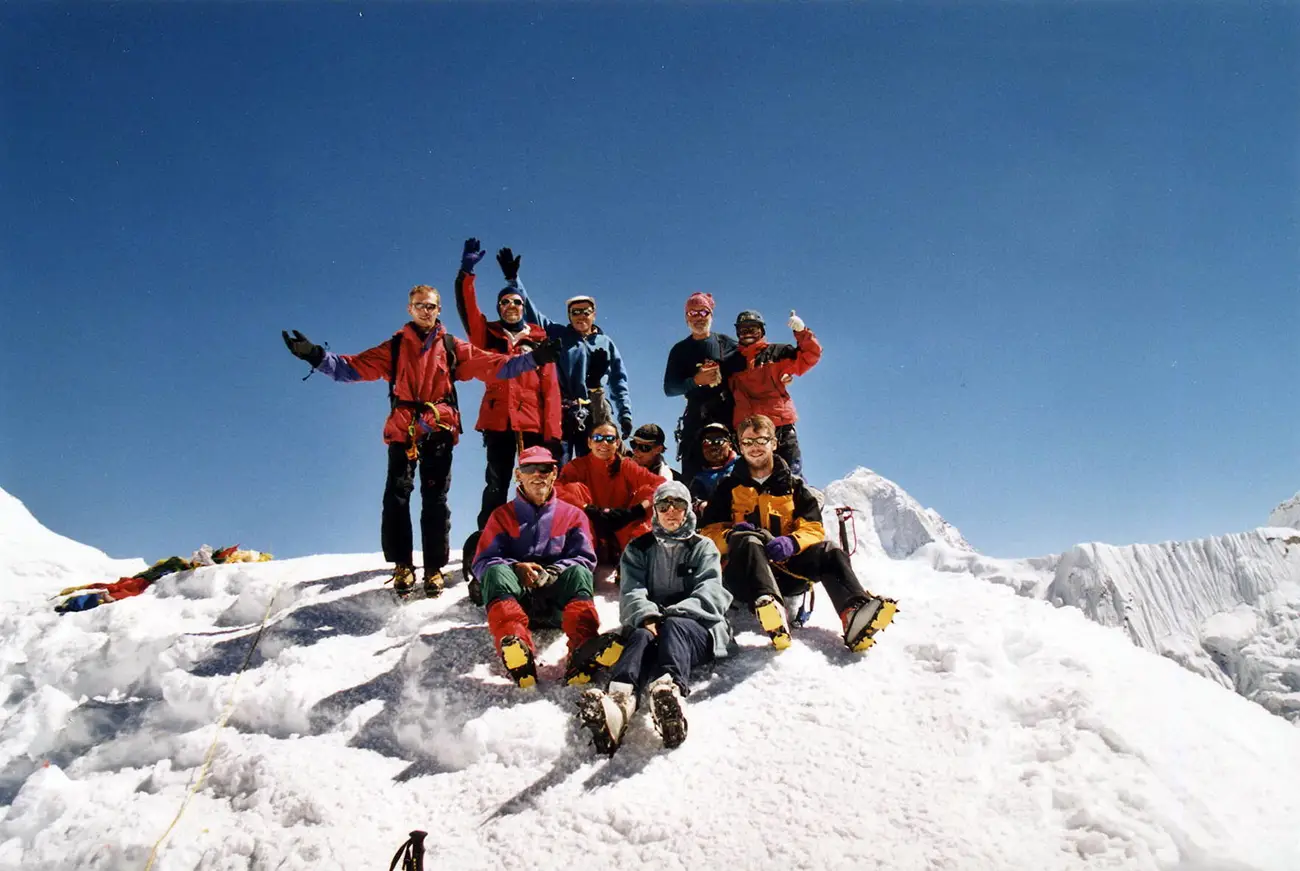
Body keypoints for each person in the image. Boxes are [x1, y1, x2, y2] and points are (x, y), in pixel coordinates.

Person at [282, 284, 557, 599]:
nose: (426, 311)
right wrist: (314, 355)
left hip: (438, 428)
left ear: (439, 310)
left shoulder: (452, 347)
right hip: (403, 428)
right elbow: (353, 367)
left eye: (431, 306)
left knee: (435, 498)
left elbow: (493, 364)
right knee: (396, 497)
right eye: (419, 305)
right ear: (409, 309)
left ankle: (434, 568)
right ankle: (402, 564)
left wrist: (534, 359)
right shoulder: (396, 348)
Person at [699, 414, 896, 653]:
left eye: (761, 440)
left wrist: (792, 542)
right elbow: (707, 532)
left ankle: (854, 612)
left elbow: (814, 528)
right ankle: (771, 608)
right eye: (747, 442)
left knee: (829, 550)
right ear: (740, 447)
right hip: (744, 579)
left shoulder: (795, 486)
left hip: (788, 572)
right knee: (748, 539)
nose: (754, 448)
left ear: (774, 443)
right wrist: (730, 535)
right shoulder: (727, 488)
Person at [577, 480, 733, 754]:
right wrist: (647, 616)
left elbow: (710, 591)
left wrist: (667, 615)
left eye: (678, 505)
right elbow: (632, 591)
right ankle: (620, 698)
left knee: (674, 626)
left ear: (688, 510)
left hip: (698, 628)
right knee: (638, 634)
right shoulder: (639, 548)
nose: (671, 511)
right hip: (653, 625)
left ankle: (668, 691)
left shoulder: (703, 546)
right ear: (656, 511)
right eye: (664, 505)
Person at [472, 446, 619, 688]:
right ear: (518, 475)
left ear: (554, 473)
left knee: (580, 574)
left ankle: (583, 647)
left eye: (545, 468)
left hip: (559, 607)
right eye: (530, 468)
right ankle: (516, 647)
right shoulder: (501, 516)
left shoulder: (572, 515)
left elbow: (584, 557)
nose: (538, 474)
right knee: (496, 572)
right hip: (519, 601)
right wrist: (516, 567)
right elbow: (483, 561)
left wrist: (555, 572)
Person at [453, 238, 563, 530]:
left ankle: (539, 537)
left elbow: (551, 389)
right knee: (497, 480)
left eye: (516, 302)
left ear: (522, 306)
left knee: (537, 482)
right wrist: (466, 272)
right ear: (499, 307)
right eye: (505, 302)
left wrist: (553, 433)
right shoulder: (487, 335)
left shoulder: (539, 341)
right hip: (498, 419)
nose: (511, 306)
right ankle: (489, 541)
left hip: (532, 422)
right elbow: (467, 307)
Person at [507, 249, 634, 462]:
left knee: (595, 465)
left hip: (594, 411)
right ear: (569, 316)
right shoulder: (559, 334)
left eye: (585, 311)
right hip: (563, 410)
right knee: (561, 465)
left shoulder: (605, 343)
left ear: (594, 313)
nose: (580, 316)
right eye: (575, 312)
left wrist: (625, 415)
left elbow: (618, 382)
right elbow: (531, 311)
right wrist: (513, 280)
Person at [555, 421, 665, 570]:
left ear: (617, 443)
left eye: (610, 439)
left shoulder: (626, 465)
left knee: (646, 492)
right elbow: (555, 488)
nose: (604, 443)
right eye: (598, 438)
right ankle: (582, 557)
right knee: (572, 488)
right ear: (589, 443)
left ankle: (635, 557)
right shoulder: (577, 466)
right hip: (591, 525)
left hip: (620, 524)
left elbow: (661, 483)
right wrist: (587, 508)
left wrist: (636, 510)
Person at [726, 309, 821, 477]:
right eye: (742, 330)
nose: (747, 334)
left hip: (779, 426)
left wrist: (802, 332)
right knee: (751, 484)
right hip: (748, 431)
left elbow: (809, 356)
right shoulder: (731, 362)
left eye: (753, 329)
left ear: (762, 331)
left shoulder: (778, 353)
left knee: (790, 478)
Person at [663, 292, 740, 482]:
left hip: (728, 416)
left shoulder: (728, 344)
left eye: (703, 312)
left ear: (711, 315)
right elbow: (670, 388)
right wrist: (696, 381)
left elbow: (755, 362)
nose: (698, 318)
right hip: (695, 419)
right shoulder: (680, 350)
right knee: (693, 474)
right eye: (692, 313)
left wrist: (781, 376)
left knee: (736, 475)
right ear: (686, 318)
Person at [687, 422, 738, 511]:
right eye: (707, 442)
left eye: (719, 441)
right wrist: (702, 505)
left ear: (730, 445)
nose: (713, 446)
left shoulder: (745, 464)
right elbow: (694, 501)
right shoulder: (699, 480)